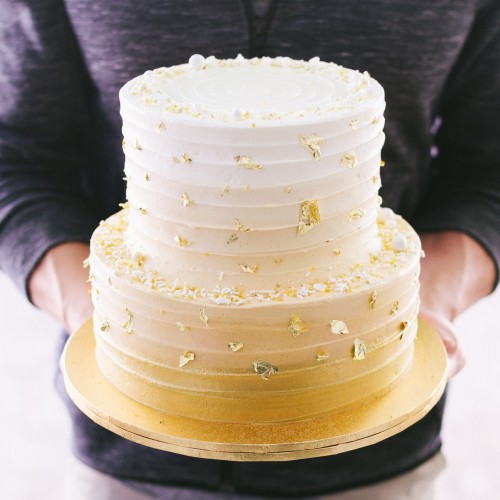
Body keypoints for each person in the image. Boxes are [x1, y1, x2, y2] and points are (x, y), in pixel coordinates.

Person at [1, 0, 499, 498]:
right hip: (128, 457)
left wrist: (421, 305)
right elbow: (16, 157)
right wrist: (115, 319)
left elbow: (487, 170)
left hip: (376, 456)